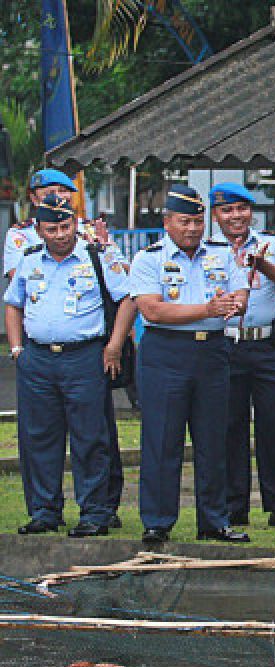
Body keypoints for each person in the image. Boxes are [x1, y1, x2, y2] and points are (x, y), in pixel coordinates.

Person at [3, 194, 136, 536]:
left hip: (85, 356)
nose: (61, 234)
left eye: (66, 226)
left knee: (90, 436)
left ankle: (95, 511)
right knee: (38, 437)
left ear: (76, 224)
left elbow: (126, 301)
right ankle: (44, 511)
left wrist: (115, 346)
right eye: (53, 228)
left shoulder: (96, 255)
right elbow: (14, 304)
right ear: (39, 229)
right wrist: (18, 349)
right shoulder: (29, 260)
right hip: (38, 358)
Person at [128, 186, 250, 544]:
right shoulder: (148, 259)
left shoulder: (222, 254)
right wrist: (208, 310)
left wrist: (236, 304)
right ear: (167, 223)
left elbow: (241, 292)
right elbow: (152, 309)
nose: (193, 229)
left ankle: (214, 520)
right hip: (166, 353)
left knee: (213, 440)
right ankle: (157, 520)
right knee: (162, 439)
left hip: (212, 353)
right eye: (185, 222)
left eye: (198, 222)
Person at [208, 182, 275, 529]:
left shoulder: (272, 244)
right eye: (227, 210)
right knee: (229, 427)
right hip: (226, 346)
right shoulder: (207, 250)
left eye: (242, 209)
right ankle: (234, 506)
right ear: (215, 215)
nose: (236, 216)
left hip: (266, 345)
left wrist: (262, 265)